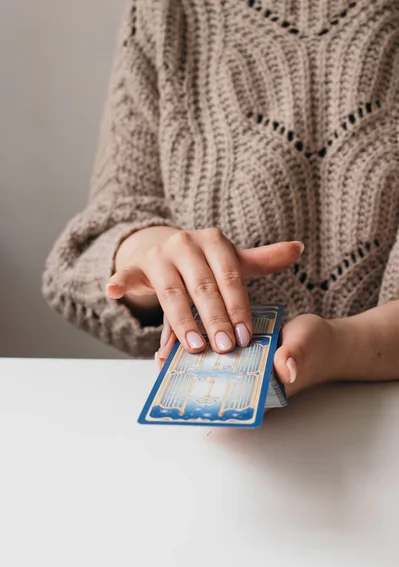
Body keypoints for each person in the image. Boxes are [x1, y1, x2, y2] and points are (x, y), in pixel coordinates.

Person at [43, 0, 399, 399]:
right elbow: (109, 224)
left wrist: (343, 346)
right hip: (206, 428)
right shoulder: (165, 11)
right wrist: (157, 257)